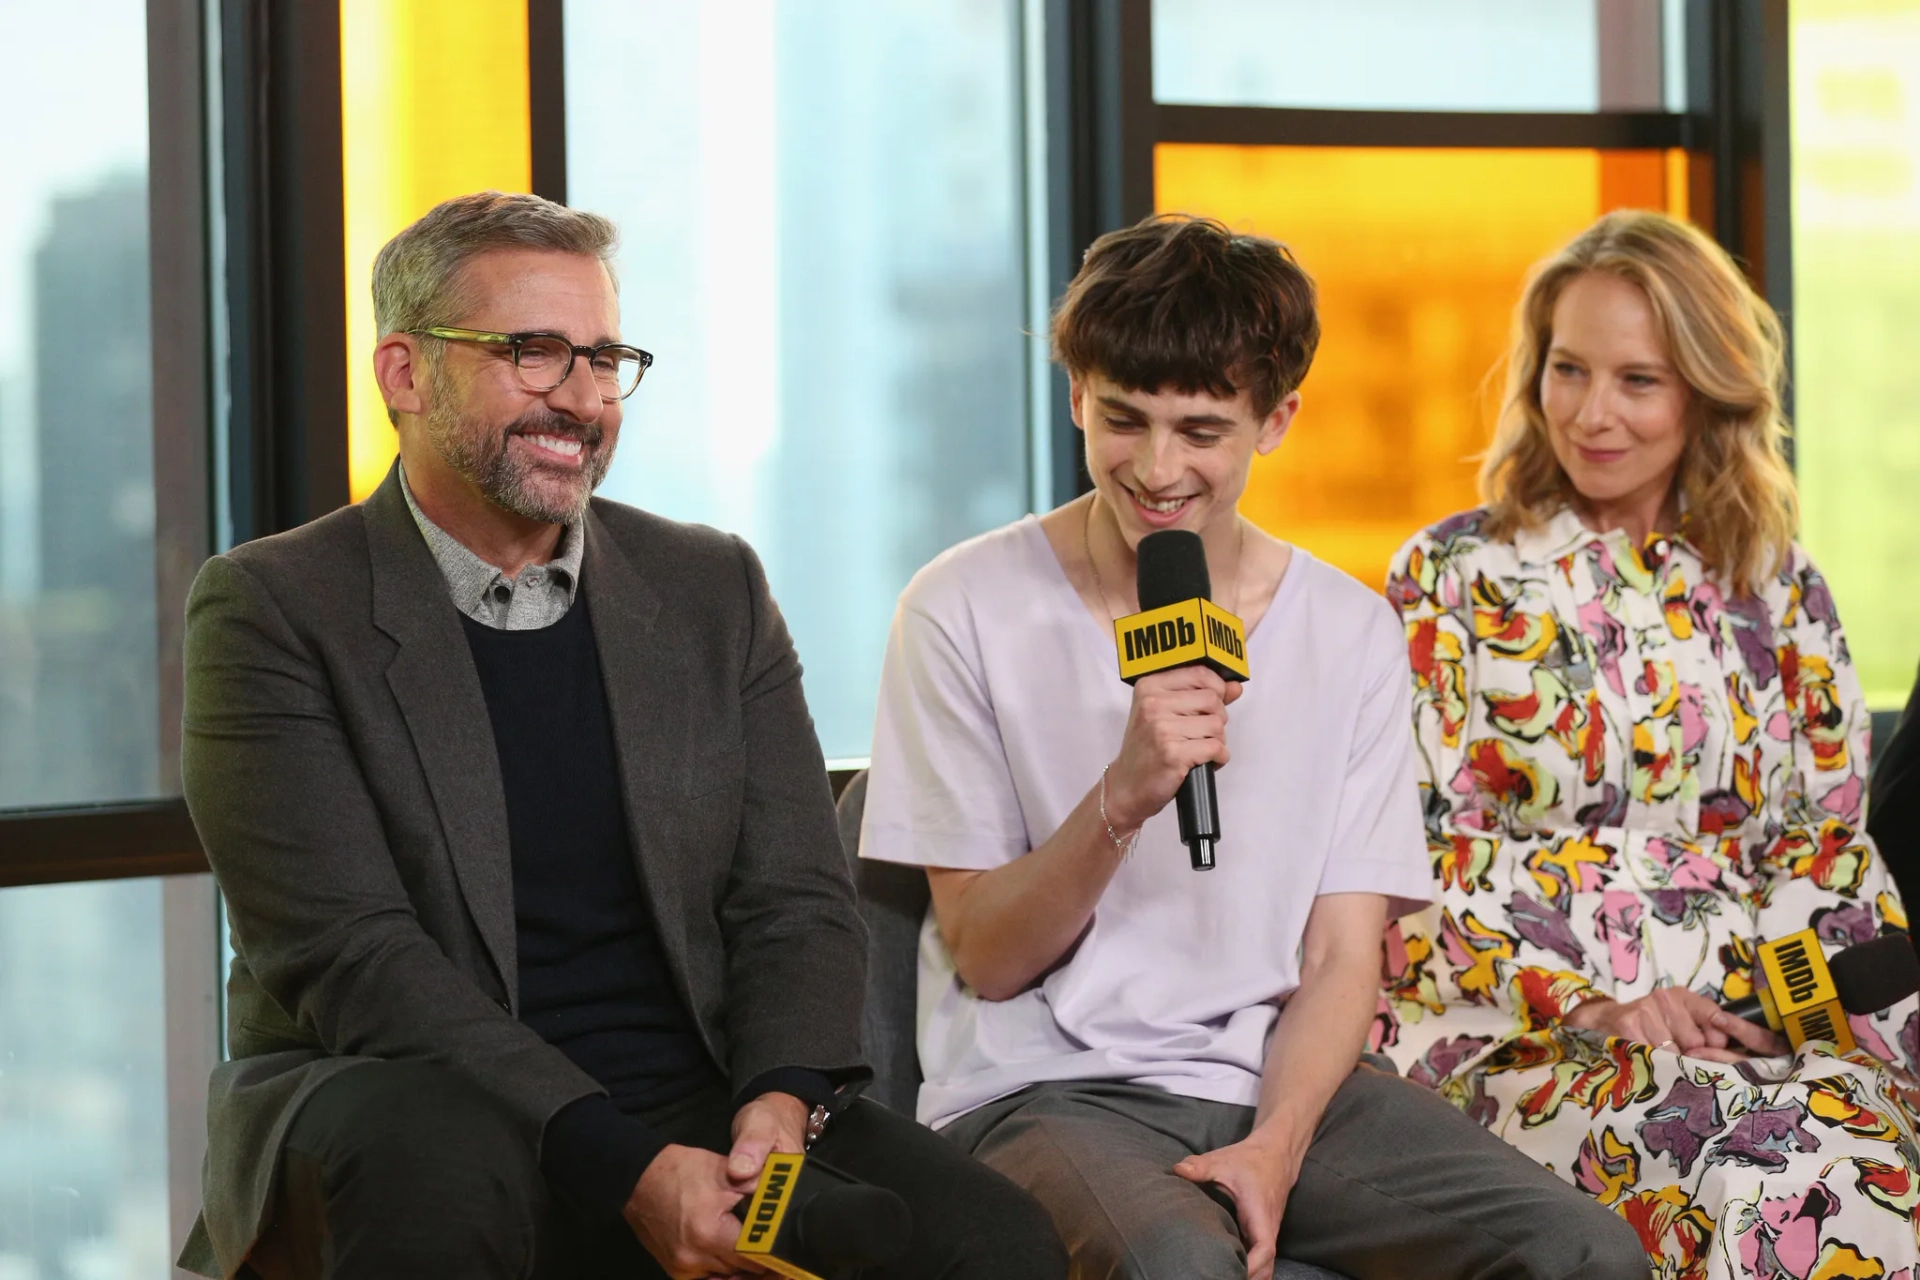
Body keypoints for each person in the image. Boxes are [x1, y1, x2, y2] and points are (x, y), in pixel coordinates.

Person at [174, 191, 1066, 1280]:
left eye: (605, 359)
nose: (584, 399)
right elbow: (356, 962)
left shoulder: (709, 585)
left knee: (997, 1244)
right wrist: (628, 1165)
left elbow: (792, 894)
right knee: (440, 1157)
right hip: (409, 1096)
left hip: (699, 1094)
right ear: (405, 373)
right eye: (535, 353)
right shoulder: (272, 606)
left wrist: (777, 1102)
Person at [858, 213, 1649, 1280]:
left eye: (1200, 430)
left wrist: (1274, 1148)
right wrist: (1121, 799)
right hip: (1043, 1088)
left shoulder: (1351, 629)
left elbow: (1338, 956)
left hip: (1281, 1086)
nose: (1154, 467)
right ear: (1079, 395)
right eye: (1122, 419)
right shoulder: (960, 604)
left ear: (1276, 419)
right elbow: (990, 955)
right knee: (1180, 1266)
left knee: (1585, 1252)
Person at [1376, 208, 1920, 1278]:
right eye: (1568, 370)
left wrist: (1832, 1024)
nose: (1591, 414)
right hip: (1528, 1029)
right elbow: (1416, 851)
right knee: (1769, 1171)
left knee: (1870, 1144)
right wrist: (1596, 1002)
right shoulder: (1452, 578)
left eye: (1638, 379)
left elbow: (1821, 846)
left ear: (1707, 393)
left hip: (1758, 1026)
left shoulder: (1780, 586)